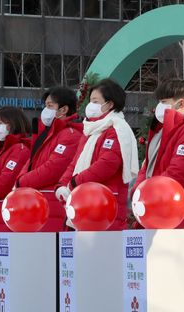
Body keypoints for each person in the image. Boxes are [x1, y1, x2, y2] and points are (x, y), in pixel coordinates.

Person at [132, 78, 184, 228]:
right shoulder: (162, 131)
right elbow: (147, 167)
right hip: (158, 209)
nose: (159, 107)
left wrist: (147, 194)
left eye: (164, 102)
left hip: (183, 215)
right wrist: (137, 192)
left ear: (181, 103)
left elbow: (179, 173)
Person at [56, 78, 139, 231]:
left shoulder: (116, 129)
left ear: (110, 103)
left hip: (104, 203)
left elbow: (107, 164)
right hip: (84, 201)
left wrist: (74, 183)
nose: (90, 105)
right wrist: (62, 184)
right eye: (90, 100)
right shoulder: (91, 129)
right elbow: (76, 162)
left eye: (95, 101)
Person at [16, 87, 83, 232]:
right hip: (38, 203)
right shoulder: (48, 132)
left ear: (64, 109)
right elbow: (32, 160)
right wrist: (20, 180)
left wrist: (21, 182)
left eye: (50, 106)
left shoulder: (70, 134)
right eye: (45, 105)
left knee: (52, 251)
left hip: (52, 204)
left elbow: (54, 169)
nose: (45, 109)